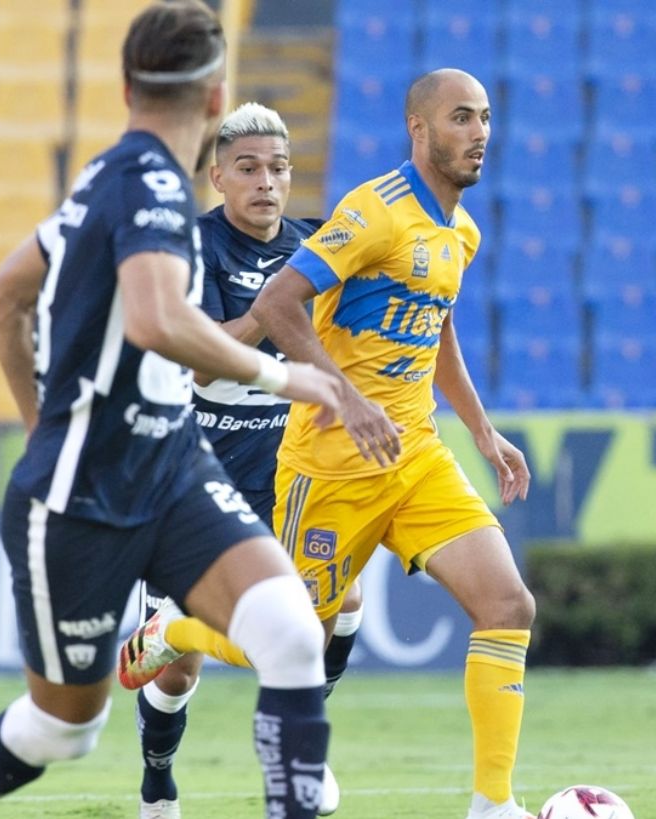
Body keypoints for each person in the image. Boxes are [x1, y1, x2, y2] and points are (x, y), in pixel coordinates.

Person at [0, 4, 344, 818]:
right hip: (85, 495)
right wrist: (285, 376)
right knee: (63, 727)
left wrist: (39, 421)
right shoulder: (149, 184)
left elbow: (5, 294)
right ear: (215, 98)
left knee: (291, 631)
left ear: (125, 88)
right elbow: (155, 319)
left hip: (174, 470)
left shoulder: (107, 176)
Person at [117, 68, 538, 819]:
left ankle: (494, 804)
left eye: (484, 118)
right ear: (419, 129)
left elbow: (437, 325)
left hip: (415, 453)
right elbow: (278, 304)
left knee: (508, 602)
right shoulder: (373, 212)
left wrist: (481, 428)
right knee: (289, 643)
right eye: (461, 118)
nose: (479, 132)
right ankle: (174, 630)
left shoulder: (461, 232)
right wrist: (344, 396)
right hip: (331, 462)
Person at [131, 101, 359, 819]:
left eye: (279, 168)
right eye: (250, 168)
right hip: (196, 478)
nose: (267, 182)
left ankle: (303, 747)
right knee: (178, 669)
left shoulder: (317, 243)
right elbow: (204, 361)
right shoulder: (192, 248)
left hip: (289, 473)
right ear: (219, 177)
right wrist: (278, 302)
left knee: (343, 603)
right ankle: (157, 780)